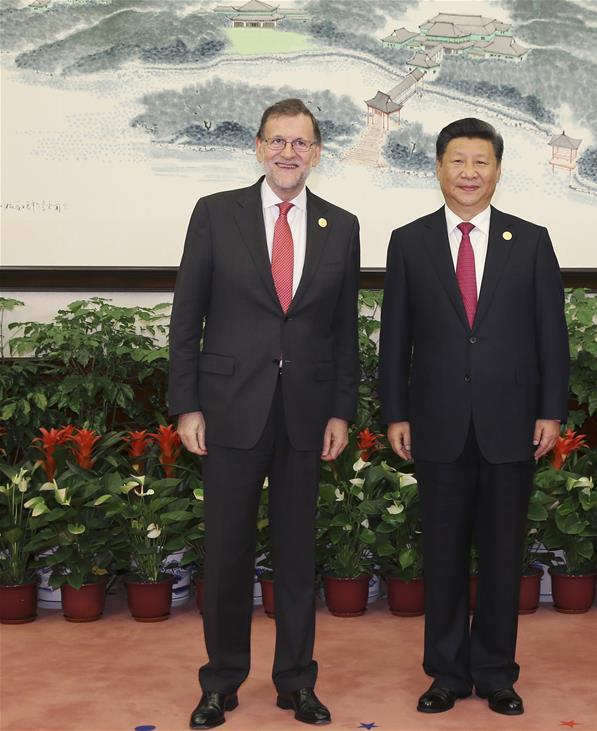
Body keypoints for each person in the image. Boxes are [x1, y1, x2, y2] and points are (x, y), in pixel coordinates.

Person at [168, 98, 360, 728]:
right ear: (257, 146)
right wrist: (187, 403)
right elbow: (186, 317)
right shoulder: (215, 214)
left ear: (316, 153)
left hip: (306, 414)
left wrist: (340, 411)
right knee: (226, 553)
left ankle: (295, 682)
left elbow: (341, 332)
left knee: (298, 555)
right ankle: (220, 683)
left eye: (300, 142)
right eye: (277, 141)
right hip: (228, 410)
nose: (288, 152)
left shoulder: (341, 224)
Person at [379, 117, 570, 717]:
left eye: (480, 161)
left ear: (497, 169)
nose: (469, 172)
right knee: (441, 552)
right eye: (457, 161)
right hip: (435, 421)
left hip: (512, 422)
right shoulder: (408, 242)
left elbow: (552, 338)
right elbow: (395, 339)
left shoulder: (531, 240)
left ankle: (495, 672)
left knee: (502, 551)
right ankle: (446, 672)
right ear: (438, 168)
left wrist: (550, 411)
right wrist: (396, 413)